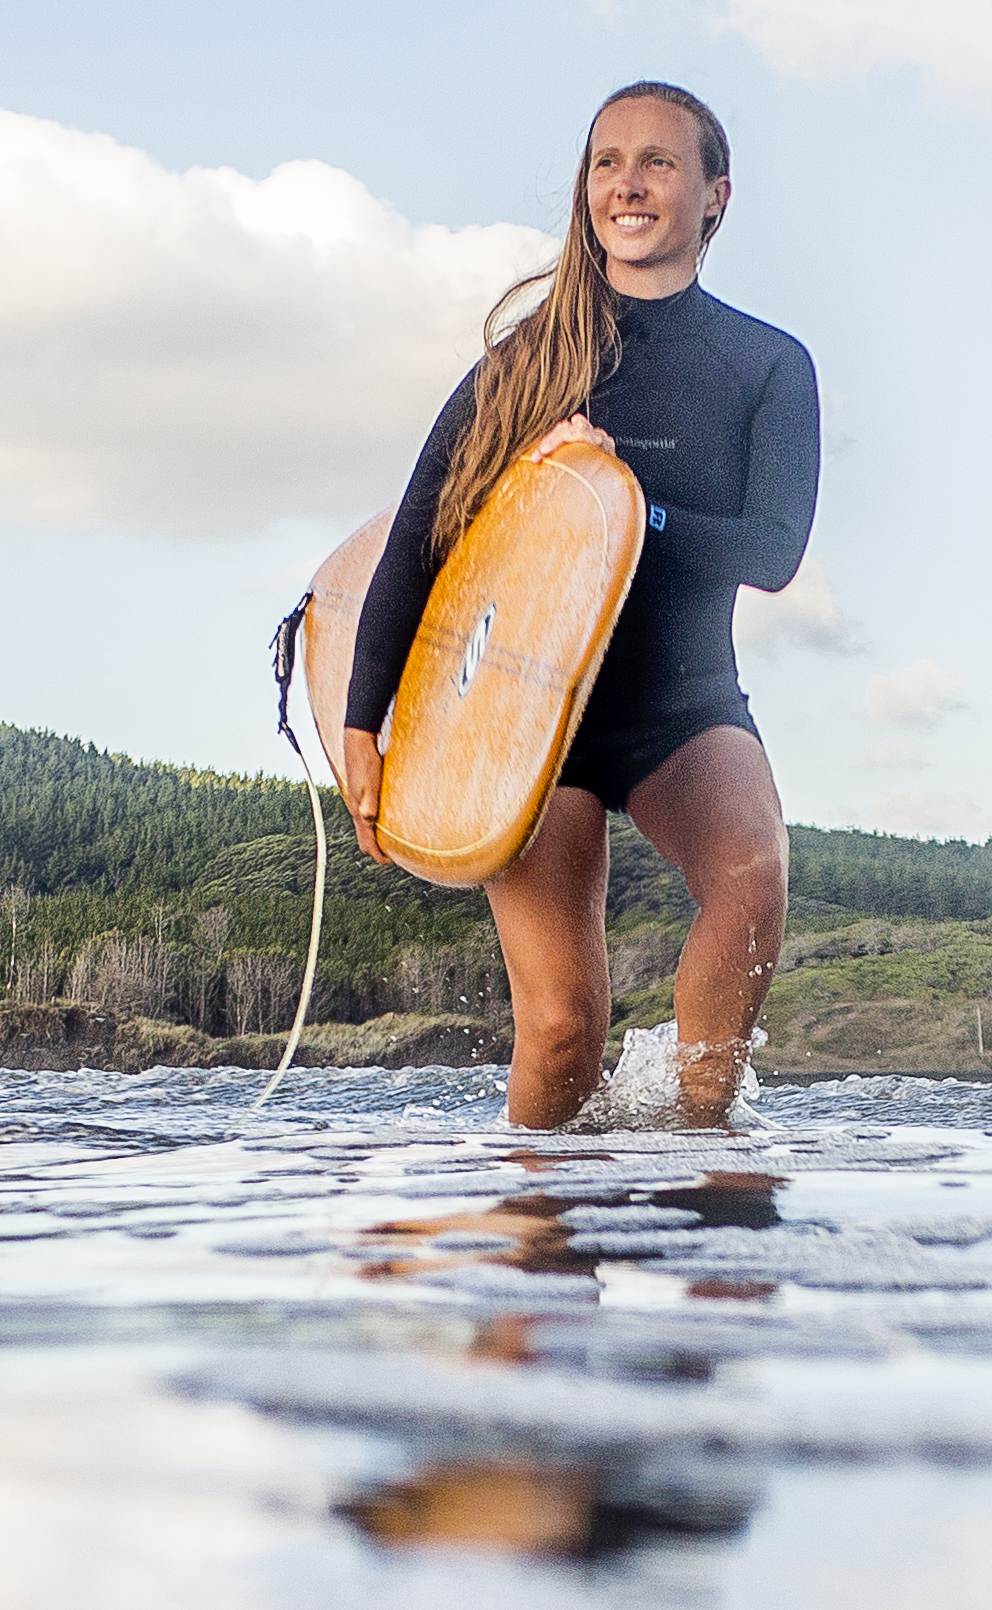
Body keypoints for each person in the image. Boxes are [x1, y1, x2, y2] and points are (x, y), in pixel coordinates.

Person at [338, 82, 817, 1131]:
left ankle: (699, 1148)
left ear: (714, 196)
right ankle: (531, 1254)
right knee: (562, 1031)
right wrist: (364, 722)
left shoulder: (766, 366)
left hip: (680, 706)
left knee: (752, 878)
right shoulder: (525, 362)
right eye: (607, 161)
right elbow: (418, 543)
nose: (627, 182)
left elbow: (773, 551)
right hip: (524, 720)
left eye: (657, 162)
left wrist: (624, 507)